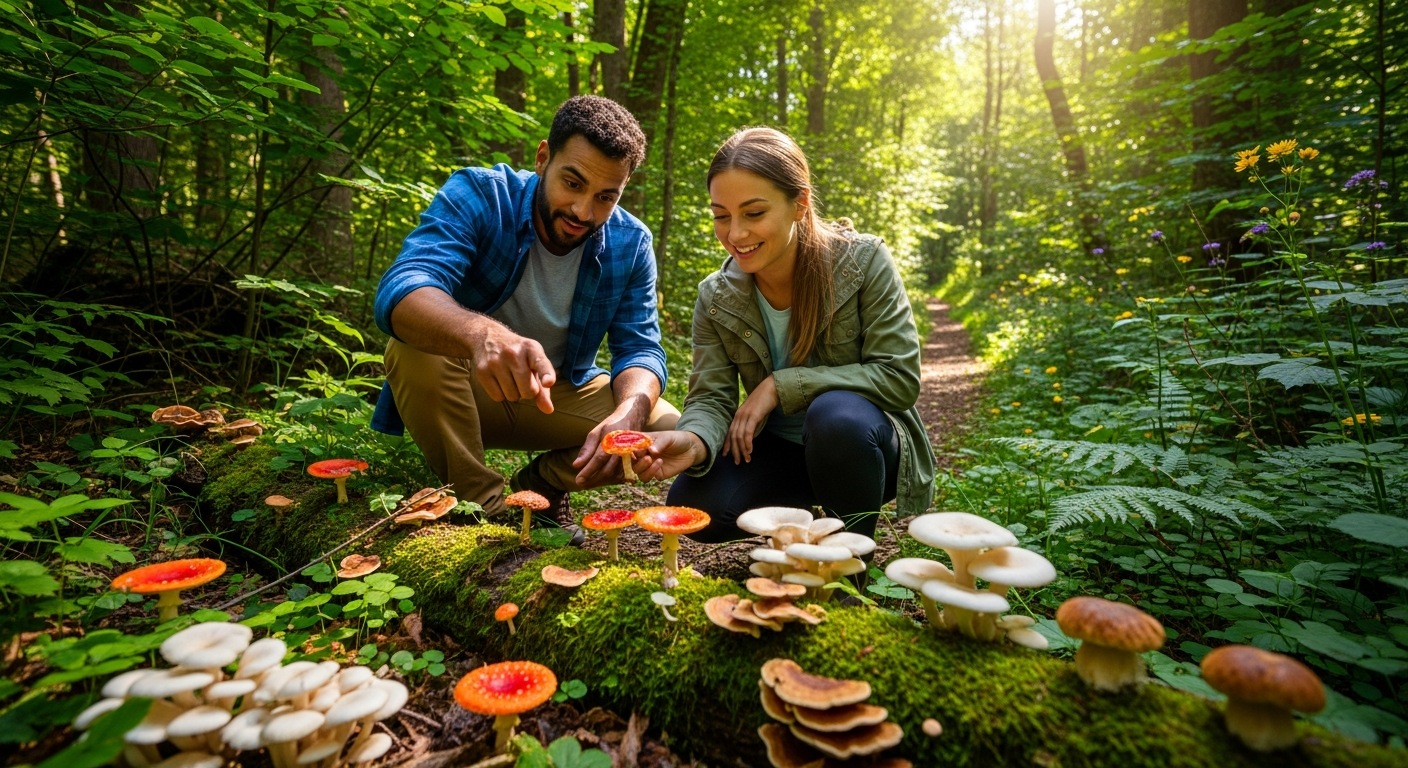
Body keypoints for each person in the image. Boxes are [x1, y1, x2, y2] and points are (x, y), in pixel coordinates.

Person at [371, 96, 679, 529]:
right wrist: (482, 336)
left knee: (665, 425)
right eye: (572, 183)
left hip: (555, 395)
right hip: (466, 388)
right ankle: (484, 509)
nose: (582, 211)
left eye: (605, 197)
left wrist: (629, 407)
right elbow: (402, 290)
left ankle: (542, 485)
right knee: (412, 347)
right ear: (542, 158)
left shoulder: (631, 242)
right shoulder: (480, 194)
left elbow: (641, 348)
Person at [633, 127, 936, 542]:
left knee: (835, 417)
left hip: (861, 445)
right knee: (698, 506)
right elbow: (711, 397)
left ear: (800, 203)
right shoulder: (716, 296)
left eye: (754, 213)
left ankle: (852, 566)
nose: (735, 234)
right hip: (779, 449)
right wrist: (693, 440)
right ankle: (801, 534)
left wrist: (780, 385)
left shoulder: (863, 262)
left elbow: (899, 378)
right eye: (721, 215)